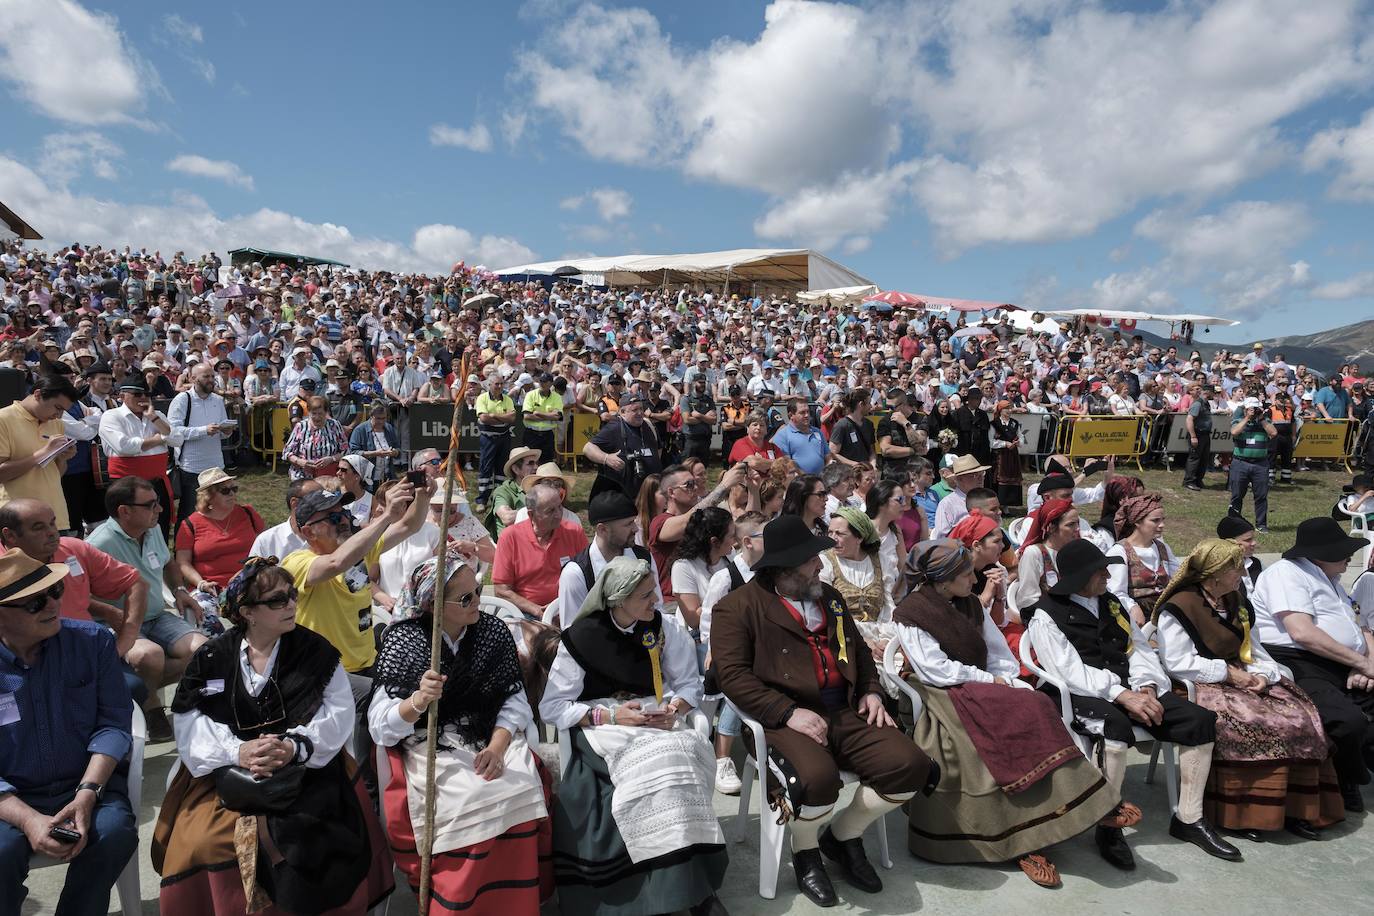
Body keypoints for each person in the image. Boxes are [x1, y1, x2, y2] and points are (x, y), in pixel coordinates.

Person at [713, 516, 935, 908]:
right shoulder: (737, 607)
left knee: (911, 765)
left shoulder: (829, 596)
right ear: (784, 569)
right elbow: (730, 676)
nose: (820, 564)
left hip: (844, 710)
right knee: (817, 780)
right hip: (780, 720)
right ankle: (805, 850)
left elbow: (860, 652)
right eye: (810, 560)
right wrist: (786, 712)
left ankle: (843, 836)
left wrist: (869, 691)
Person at [152, 557, 394, 913]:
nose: (292, 605)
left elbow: (337, 712)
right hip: (225, 772)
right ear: (247, 611)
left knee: (314, 836)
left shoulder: (315, 651)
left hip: (308, 768)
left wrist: (293, 746)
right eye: (278, 600)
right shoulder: (212, 656)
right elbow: (190, 720)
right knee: (205, 842)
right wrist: (239, 752)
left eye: (292, 596)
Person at [895, 540, 1118, 888]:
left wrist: (1006, 680)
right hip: (939, 690)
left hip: (980, 683)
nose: (975, 579)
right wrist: (992, 680)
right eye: (968, 574)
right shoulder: (911, 613)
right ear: (943, 580)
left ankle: (1092, 802)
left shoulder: (969, 603)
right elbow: (933, 669)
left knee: (1037, 705)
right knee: (977, 747)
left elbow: (997, 651)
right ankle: (1021, 842)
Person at [1028, 539, 1241, 868]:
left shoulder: (1111, 603)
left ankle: (1188, 819)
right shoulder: (1046, 615)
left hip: (1132, 688)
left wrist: (1147, 685)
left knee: (1199, 720)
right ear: (1080, 576)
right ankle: (1108, 826)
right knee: (1116, 727)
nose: (1108, 575)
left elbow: (1138, 647)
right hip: (1079, 694)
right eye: (1100, 570)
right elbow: (1068, 670)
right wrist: (1121, 694)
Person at [540, 557, 729, 916]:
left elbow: (688, 682)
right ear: (619, 599)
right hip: (602, 724)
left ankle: (696, 888)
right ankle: (665, 892)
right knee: (660, 768)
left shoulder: (662, 628)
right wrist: (612, 714)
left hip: (655, 717)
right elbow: (553, 707)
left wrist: (674, 709)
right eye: (645, 596)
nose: (654, 601)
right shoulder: (582, 637)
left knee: (684, 757)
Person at [369, 550, 554, 914]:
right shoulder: (404, 640)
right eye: (466, 598)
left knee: (518, 782)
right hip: (429, 739)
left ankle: (514, 901)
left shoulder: (491, 631)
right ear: (434, 605)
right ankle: (460, 901)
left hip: (489, 732)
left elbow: (514, 699)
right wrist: (418, 701)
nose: (476, 602)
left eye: (478, 589)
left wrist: (499, 747)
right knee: (471, 796)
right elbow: (380, 725)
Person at [1153, 539, 1342, 839]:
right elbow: (1177, 662)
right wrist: (1228, 674)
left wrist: (1263, 676)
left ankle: (1295, 808)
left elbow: (1255, 650)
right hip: (1202, 683)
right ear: (1215, 573)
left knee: (1300, 714)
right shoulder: (1180, 607)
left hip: (1242, 676)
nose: (1242, 572)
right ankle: (1245, 815)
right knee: (1254, 721)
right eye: (1236, 567)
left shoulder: (1236, 601)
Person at [0, 547, 138, 916]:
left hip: (86, 784)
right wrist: (28, 818)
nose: (51, 605)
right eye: (34, 603)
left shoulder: (92, 641)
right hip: (8, 798)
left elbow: (114, 723)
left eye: (54, 592)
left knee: (113, 834)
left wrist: (87, 793)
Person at [280, 479, 432, 762]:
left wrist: (423, 495)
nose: (344, 521)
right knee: (378, 698)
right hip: (323, 672)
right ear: (307, 531)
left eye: (345, 513)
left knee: (414, 685)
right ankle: (366, 786)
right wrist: (386, 516)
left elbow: (409, 526)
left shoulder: (356, 551)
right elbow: (335, 564)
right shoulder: (297, 563)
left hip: (365, 664)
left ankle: (391, 772)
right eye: (333, 517)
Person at [1252, 517, 1374, 811]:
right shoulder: (1287, 573)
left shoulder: (1330, 578)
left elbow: (1361, 629)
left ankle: (1354, 762)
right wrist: (1361, 662)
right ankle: (1348, 776)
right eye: (1344, 551)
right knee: (1347, 720)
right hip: (1300, 662)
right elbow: (1302, 633)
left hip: (1343, 660)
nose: (1350, 557)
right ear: (1322, 553)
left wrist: (1367, 663)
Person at [88, 477, 208, 706]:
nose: (160, 509)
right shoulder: (97, 545)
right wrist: (110, 613)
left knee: (202, 650)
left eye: (158, 502)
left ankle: (138, 690)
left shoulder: (152, 530)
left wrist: (180, 590)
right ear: (124, 512)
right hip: (118, 624)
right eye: (151, 504)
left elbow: (167, 563)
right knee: (149, 656)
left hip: (156, 616)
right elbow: (78, 594)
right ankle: (152, 706)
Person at [557, 490, 660, 630]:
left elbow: (659, 609)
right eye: (628, 524)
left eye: (634, 521)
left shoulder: (644, 557)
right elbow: (572, 631)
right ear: (602, 530)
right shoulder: (576, 573)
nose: (635, 529)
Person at [490, 480, 589, 621]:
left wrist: (560, 605)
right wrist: (537, 610)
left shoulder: (574, 532)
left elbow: (588, 577)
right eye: (550, 511)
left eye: (559, 507)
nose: (558, 514)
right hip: (523, 612)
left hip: (568, 607)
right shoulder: (510, 537)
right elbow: (501, 590)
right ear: (531, 515)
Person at [98, 376, 178, 538]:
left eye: (146, 395)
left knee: (158, 528)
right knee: (128, 529)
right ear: (122, 396)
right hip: (126, 484)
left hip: (156, 482)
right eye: (136, 394)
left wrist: (154, 418)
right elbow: (125, 447)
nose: (142, 399)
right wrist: (160, 438)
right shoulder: (111, 416)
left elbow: (177, 439)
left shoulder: (157, 415)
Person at [0, 374, 81, 533]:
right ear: (37, 394)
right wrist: (42, 453)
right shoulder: (3, 419)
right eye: (58, 408)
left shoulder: (56, 424)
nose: (58, 416)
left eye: (63, 411)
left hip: (56, 519)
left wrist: (63, 459)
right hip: (20, 523)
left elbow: (55, 474)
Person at [647, 463, 742, 599]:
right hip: (674, 602)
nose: (696, 488)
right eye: (689, 485)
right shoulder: (660, 522)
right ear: (671, 492)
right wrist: (724, 486)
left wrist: (754, 489)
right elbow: (688, 520)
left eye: (695, 483)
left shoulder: (700, 519)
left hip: (708, 594)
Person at [175, 468, 265, 591]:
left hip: (249, 583)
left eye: (234, 489)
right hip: (210, 588)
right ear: (208, 496)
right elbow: (183, 563)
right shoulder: (190, 524)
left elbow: (266, 545)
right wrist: (201, 583)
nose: (232, 494)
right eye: (225, 491)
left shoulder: (247, 513)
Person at [167, 362, 233, 528]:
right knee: (189, 513)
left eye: (212, 376)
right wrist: (204, 430)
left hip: (217, 465)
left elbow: (223, 427)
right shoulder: (182, 399)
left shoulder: (218, 400)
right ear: (193, 378)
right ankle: (183, 550)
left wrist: (227, 431)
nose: (211, 380)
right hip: (192, 467)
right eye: (206, 376)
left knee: (217, 510)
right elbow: (172, 432)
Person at [1105, 493, 1181, 627]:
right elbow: (1114, 591)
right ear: (1137, 521)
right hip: (1136, 621)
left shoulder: (1162, 548)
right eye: (1155, 520)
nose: (1162, 525)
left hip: (1165, 616)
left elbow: (1179, 579)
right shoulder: (1119, 551)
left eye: (1163, 519)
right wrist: (1132, 607)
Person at [670, 506, 735, 653]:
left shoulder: (730, 556)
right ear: (715, 542)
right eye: (731, 536)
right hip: (699, 642)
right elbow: (693, 620)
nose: (735, 540)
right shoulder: (683, 567)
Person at [584, 393, 663, 501]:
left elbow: (658, 450)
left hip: (652, 491)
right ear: (622, 412)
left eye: (641, 408)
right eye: (635, 410)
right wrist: (606, 458)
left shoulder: (649, 425)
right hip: (626, 494)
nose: (640, 413)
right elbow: (588, 448)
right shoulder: (614, 427)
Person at [1229, 396, 1277, 532]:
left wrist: (1261, 418)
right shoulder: (1239, 420)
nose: (1253, 411)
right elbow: (1234, 432)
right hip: (1240, 463)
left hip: (1260, 464)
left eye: (1255, 408)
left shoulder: (1264, 422)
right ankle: (1234, 522)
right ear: (1245, 409)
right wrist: (1247, 419)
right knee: (1237, 494)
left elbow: (1273, 433)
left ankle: (1261, 524)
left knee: (1261, 496)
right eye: (1251, 408)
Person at [249, 477, 322, 560]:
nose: (325, 504)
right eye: (316, 499)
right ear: (295, 503)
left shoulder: (332, 535)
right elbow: (252, 571)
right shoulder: (267, 541)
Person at [475, 374, 516, 508]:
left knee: (501, 469)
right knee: (485, 468)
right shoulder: (482, 398)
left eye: (501, 384)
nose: (499, 386)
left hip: (504, 438)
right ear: (489, 385)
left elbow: (512, 418)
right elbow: (484, 418)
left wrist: (493, 415)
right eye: (496, 384)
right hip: (488, 439)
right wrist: (502, 418)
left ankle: (498, 498)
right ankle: (482, 500)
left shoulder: (508, 399)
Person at [932, 455, 990, 538]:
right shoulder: (947, 504)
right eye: (974, 475)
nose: (981, 478)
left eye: (982, 473)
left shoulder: (988, 498)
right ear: (959, 479)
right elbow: (941, 538)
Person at [490, 445, 540, 537]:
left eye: (537, 463)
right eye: (531, 463)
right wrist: (542, 511)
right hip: (512, 545)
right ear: (516, 469)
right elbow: (507, 517)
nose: (536, 467)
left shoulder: (540, 488)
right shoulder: (503, 491)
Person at [347, 402, 400, 486]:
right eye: (378, 418)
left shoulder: (389, 428)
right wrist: (375, 453)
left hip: (387, 476)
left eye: (384, 418)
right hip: (368, 479)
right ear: (371, 416)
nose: (381, 421)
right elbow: (352, 453)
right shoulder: (360, 430)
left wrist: (394, 452)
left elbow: (398, 449)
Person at [772, 398, 828, 475]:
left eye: (808, 411)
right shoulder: (782, 436)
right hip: (799, 483)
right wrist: (806, 478)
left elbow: (828, 456)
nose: (807, 415)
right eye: (802, 413)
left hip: (821, 482)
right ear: (791, 415)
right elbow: (786, 464)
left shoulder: (817, 432)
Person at [522, 372, 563, 463]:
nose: (541, 383)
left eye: (544, 381)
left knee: (547, 463)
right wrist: (550, 416)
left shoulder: (557, 397)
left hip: (547, 435)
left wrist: (538, 413)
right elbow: (527, 416)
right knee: (530, 462)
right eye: (540, 381)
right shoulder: (530, 395)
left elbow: (558, 417)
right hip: (531, 434)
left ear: (551, 384)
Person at [989, 400, 1023, 508]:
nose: (1009, 410)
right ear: (1000, 410)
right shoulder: (994, 424)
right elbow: (991, 441)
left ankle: (1007, 505)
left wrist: (1018, 443)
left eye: (1010, 408)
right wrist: (1004, 443)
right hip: (1000, 456)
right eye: (1006, 408)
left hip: (1012, 455)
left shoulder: (1014, 423)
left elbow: (1021, 436)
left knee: (1012, 477)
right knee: (1000, 479)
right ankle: (999, 504)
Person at [1183, 385, 1217, 491]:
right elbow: (1189, 420)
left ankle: (1198, 480)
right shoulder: (1197, 404)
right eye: (1213, 392)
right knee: (1195, 458)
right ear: (1208, 392)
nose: (1214, 395)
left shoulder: (1206, 404)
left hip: (1205, 434)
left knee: (1204, 458)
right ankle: (1189, 481)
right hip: (1198, 433)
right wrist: (1193, 436)